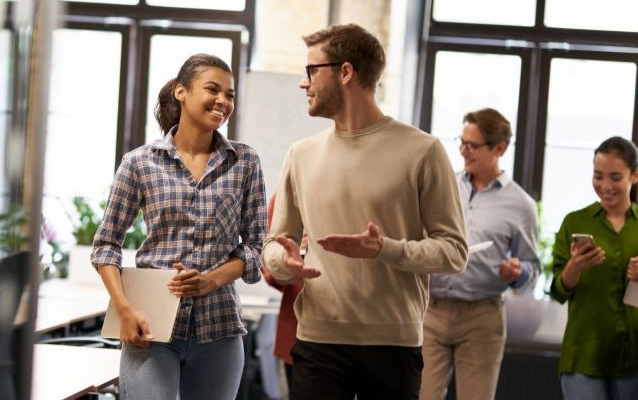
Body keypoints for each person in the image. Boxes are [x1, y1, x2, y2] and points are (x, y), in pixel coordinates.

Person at [261, 23, 468, 400]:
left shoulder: (423, 151)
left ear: (345, 72)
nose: (303, 83)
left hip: (393, 344)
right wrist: (282, 261)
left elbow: (454, 252)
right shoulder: (300, 154)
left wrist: (384, 249)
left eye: (311, 71)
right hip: (317, 342)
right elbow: (275, 245)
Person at [91, 53, 267, 400]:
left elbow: (257, 247)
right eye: (213, 89)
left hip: (219, 328)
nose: (223, 101)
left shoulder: (244, 161)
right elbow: (105, 245)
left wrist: (210, 280)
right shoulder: (139, 162)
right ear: (181, 92)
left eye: (230, 95)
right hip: (150, 326)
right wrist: (125, 310)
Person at [419, 108, 540, 400]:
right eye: (461, 142)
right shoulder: (442, 186)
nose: (463, 151)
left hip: (482, 317)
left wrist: (517, 272)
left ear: (500, 148)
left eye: (472, 145)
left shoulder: (521, 204)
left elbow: (531, 267)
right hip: (431, 311)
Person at [550, 136, 638, 400]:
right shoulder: (575, 222)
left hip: (633, 357)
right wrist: (574, 266)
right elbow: (557, 292)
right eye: (598, 176)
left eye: (615, 177)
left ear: (634, 176)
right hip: (584, 355)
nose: (605, 186)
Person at [261, 192, 304, 390]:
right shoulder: (286, 197)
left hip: (374, 336)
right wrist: (288, 260)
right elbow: (270, 274)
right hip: (299, 337)